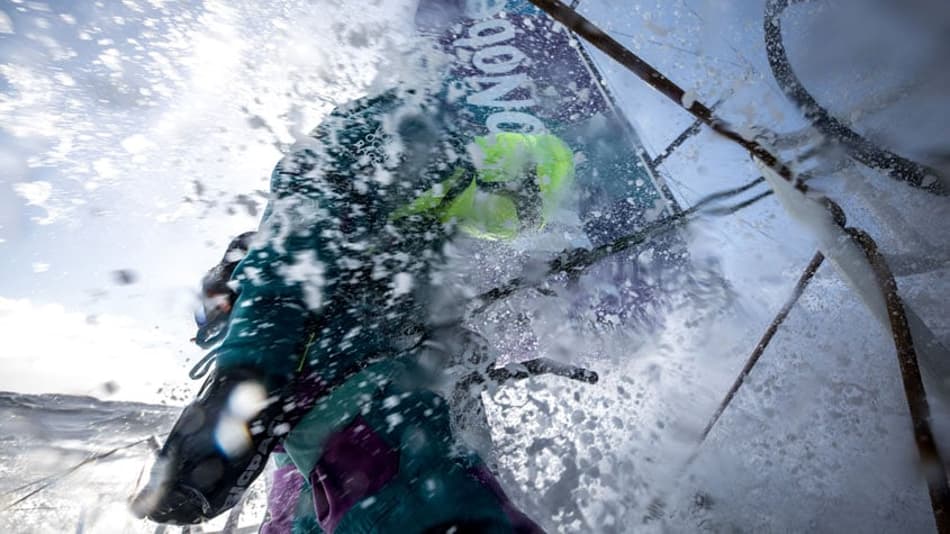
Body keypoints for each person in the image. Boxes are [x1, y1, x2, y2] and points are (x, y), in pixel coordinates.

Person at [132, 82, 576, 533]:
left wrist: (456, 349)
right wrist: (244, 389)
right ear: (506, 169)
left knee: (299, 520)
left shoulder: (426, 210)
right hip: (341, 389)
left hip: (325, 409)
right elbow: (295, 250)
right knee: (424, 508)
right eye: (525, 202)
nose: (516, 222)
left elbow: (398, 298)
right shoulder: (401, 133)